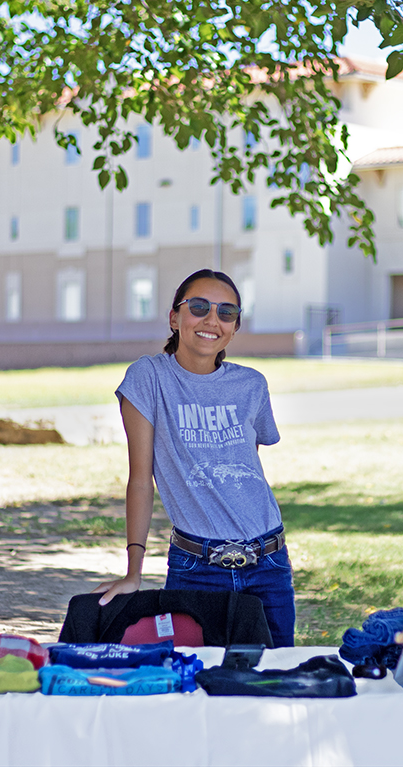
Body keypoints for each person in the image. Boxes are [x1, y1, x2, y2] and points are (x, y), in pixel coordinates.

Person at [93, 268, 295, 647]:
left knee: (276, 678)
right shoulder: (148, 378)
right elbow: (140, 478)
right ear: (175, 317)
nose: (212, 320)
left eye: (226, 312)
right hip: (196, 567)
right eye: (199, 307)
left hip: (268, 562)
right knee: (196, 685)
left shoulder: (252, 384)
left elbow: (244, 468)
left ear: (235, 327)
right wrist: (133, 572)